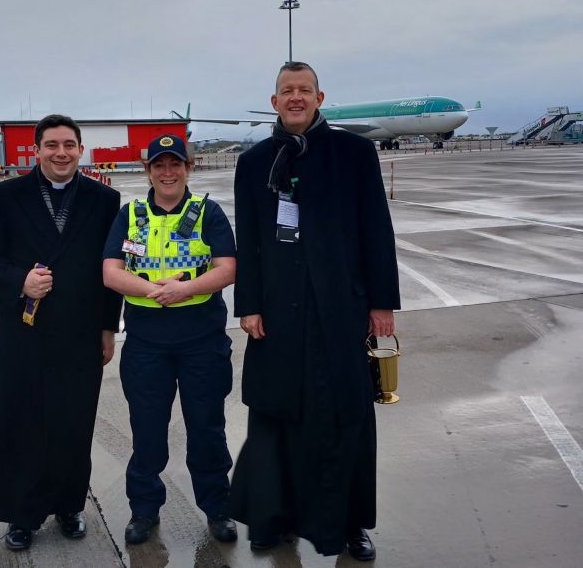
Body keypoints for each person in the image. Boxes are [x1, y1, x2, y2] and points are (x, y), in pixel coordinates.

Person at [229, 62, 400, 561]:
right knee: (275, 411)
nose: (296, 98)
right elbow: (252, 241)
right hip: (278, 313)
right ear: (275, 100)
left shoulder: (355, 153)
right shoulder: (254, 161)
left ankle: (348, 524)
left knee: (343, 414)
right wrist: (250, 305)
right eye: (287, 91)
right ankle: (271, 516)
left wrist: (382, 304)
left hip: (341, 310)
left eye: (305, 90)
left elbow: (376, 230)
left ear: (320, 97)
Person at [0, 114, 121, 551]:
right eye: (52, 144)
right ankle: (22, 512)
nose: (61, 153)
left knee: (74, 422)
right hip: (25, 333)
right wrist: (19, 281)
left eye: (69, 145)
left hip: (80, 332)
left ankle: (70, 504)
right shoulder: (5, 196)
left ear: (80, 150)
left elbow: (111, 271)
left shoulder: (103, 200)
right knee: (21, 422)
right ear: (36, 150)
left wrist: (109, 327)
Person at [102, 134, 238, 545]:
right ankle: (144, 511)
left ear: (188, 168)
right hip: (147, 344)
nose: (167, 172)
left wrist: (184, 289)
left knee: (207, 429)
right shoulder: (131, 215)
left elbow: (228, 267)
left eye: (175, 164)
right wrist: (152, 291)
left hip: (203, 342)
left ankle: (217, 509)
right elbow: (111, 272)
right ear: (148, 170)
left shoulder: (207, 212)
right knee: (146, 431)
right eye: (158, 165)